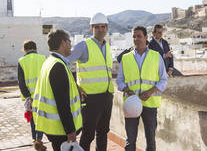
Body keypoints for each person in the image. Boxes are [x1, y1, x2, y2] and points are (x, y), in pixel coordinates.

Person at [67, 12, 114, 151]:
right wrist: (75, 86)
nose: (100, 29)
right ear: (91, 29)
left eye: (103, 26)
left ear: (107, 28)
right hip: (90, 98)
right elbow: (63, 63)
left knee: (103, 132)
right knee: (88, 135)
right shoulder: (83, 46)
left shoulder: (107, 46)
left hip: (106, 96)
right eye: (97, 27)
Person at [116, 26, 168, 151]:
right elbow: (119, 80)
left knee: (150, 140)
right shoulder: (126, 57)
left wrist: (151, 92)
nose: (136, 39)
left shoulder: (156, 56)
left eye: (139, 36)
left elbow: (164, 79)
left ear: (146, 37)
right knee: (130, 141)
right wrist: (128, 91)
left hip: (150, 104)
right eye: (134, 36)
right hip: (131, 104)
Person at [32, 30, 82, 151]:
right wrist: (70, 131)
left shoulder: (50, 62)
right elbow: (62, 104)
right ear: (63, 43)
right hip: (60, 130)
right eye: (69, 41)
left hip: (54, 128)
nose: (71, 45)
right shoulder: (58, 66)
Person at [17, 40, 47, 151]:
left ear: (24, 49)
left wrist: (27, 97)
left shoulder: (21, 61)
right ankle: (39, 139)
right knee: (43, 117)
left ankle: (36, 140)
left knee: (34, 120)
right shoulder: (43, 58)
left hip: (31, 97)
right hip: (44, 95)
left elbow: (21, 82)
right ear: (35, 48)